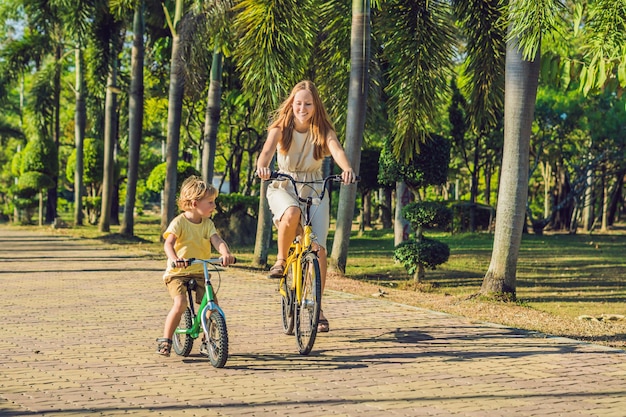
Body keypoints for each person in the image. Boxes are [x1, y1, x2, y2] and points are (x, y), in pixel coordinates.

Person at [256, 80, 356, 333]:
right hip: (284, 185)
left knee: (319, 249)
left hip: (314, 187)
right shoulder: (280, 129)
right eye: (298, 103)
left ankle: (318, 307)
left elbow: (336, 149)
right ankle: (280, 261)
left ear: (315, 106)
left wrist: (347, 169)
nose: (302, 108)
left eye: (308, 104)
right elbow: (267, 152)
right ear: (292, 104)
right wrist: (263, 167)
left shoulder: (322, 129)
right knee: (292, 213)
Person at [156, 175, 235, 357]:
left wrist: (225, 254)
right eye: (210, 202)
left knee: (212, 304)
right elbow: (168, 244)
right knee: (180, 303)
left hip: (201, 271)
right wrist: (175, 259)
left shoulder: (207, 224)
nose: (214, 206)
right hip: (178, 273)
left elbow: (217, 240)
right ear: (194, 203)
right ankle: (166, 340)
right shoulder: (179, 222)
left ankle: (209, 341)